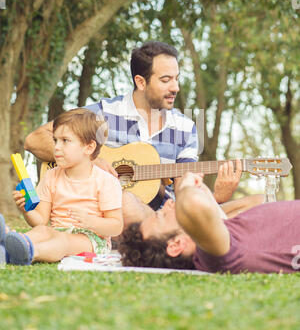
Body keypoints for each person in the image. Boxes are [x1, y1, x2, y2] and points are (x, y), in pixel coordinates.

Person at [24, 41, 241, 206]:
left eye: (177, 78)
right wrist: (89, 160)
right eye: (166, 80)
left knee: (249, 204)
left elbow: (183, 192)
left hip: (159, 221)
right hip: (100, 211)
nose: (175, 87)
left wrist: (216, 198)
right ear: (141, 82)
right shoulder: (104, 113)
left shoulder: (186, 129)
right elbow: (34, 140)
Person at [1, 108, 123, 265]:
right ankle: (7, 245)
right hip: (57, 231)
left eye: (65, 140)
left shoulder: (106, 181)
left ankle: (30, 251)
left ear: (89, 147)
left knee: (63, 241)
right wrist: (26, 210)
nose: (57, 147)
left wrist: (91, 221)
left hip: (92, 239)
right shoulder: (51, 176)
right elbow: (40, 221)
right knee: (42, 231)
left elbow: (116, 226)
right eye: (55, 140)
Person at [118, 172, 300, 274]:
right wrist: (184, 186)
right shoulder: (214, 254)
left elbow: (204, 200)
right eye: (162, 216)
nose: (167, 204)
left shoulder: (223, 239)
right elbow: (194, 204)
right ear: (176, 245)